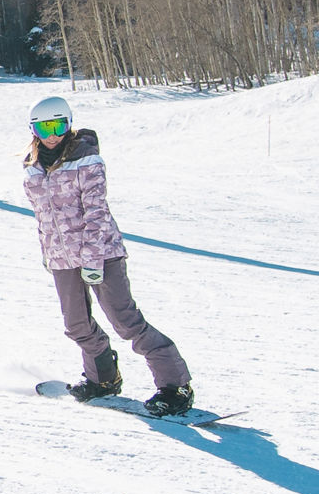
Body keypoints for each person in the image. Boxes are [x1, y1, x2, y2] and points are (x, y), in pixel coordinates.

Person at [20, 96, 196, 416]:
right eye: (44, 127)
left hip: (101, 253)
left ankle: (175, 385)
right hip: (62, 258)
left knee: (125, 322)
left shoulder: (86, 159)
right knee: (76, 325)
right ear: (33, 130)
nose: (53, 134)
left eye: (59, 125)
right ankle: (103, 378)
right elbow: (43, 216)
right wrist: (48, 254)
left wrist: (92, 259)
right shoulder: (32, 169)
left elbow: (97, 212)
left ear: (69, 124)